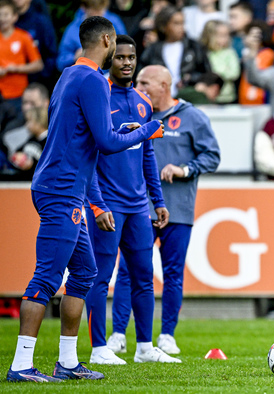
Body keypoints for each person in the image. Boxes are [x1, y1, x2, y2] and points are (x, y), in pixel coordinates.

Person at [6, 15, 163, 383]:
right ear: (108, 40)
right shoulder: (94, 79)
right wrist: (144, 131)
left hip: (62, 186)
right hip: (62, 189)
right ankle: (20, 365)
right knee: (46, 277)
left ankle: (68, 362)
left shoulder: (68, 75)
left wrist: (120, 129)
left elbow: (89, 133)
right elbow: (107, 145)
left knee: (85, 273)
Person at [106, 65, 220, 356]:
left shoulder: (192, 117)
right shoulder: (137, 113)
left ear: (164, 86)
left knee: (172, 273)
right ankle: (118, 333)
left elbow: (212, 155)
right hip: (137, 208)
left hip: (178, 208)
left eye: (145, 82)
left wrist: (185, 169)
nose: (138, 86)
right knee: (128, 271)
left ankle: (167, 334)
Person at [84, 35, 180, 365]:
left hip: (139, 206)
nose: (126, 62)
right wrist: (97, 204)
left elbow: (147, 153)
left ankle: (143, 347)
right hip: (108, 204)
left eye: (131, 57)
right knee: (101, 276)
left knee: (143, 276)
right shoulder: (99, 95)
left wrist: (158, 200)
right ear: (109, 59)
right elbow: (89, 156)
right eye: (120, 57)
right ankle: (99, 349)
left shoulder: (141, 101)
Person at [139, 5, 211, 98]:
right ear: (164, 26)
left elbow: (207, 74)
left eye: (183, 23)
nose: (181, 27)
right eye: (176, 23)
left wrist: (191, 78)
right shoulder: (152, 50)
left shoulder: (194, 47)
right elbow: (142, 77)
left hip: (189, 99)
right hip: (159, 101)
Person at [57, 0, 127, 72]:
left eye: (102, 9)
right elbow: (60, 62)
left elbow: (126, 49)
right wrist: (75, 57)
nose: (100, 14)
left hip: (110, 77)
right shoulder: (72, 29)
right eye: (95, 10)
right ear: (83, 8)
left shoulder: (115, 22)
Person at [0, 0, 43, 114]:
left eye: (6, 14)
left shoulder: (23, 37)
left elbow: (38, 64)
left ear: (15, 17)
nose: (2, 18)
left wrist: (17, 68)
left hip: (19, 95)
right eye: (0, 15)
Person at [14, 0, 58, 86]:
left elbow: (51, 52)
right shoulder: (7, 22)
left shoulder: (41, 21)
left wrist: (43, 76)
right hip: (13, 82)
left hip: (38, 81)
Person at [200, 20, 241, 103]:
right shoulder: (204, 53)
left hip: (228, 97)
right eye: (221, 35)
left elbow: (234, 73)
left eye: (227, 35)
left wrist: (217, 73)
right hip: (208, 98)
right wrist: (224, 70)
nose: (225, 38)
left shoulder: (230, 52)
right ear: (210, 36)